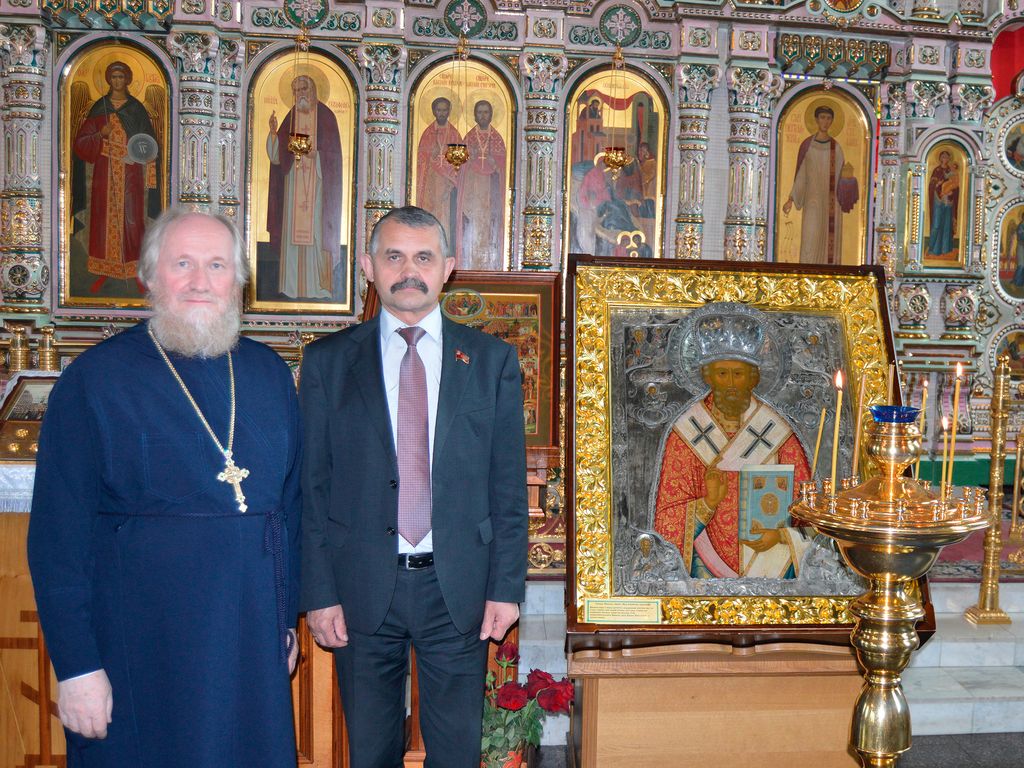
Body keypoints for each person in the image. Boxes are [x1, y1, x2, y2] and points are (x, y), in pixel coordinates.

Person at [28, 209, 301, 767]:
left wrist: (285, 619)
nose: (201, 281)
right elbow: (58, 540)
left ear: (238, 282)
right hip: (139, 649)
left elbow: (291, 511)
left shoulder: (270, 374)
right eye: (182, 264)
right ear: (149, 277)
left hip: (250, 644)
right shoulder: (94, 380)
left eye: (217, 266)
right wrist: (77, 666)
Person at [300, 206, 528, 768]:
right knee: (370, 752)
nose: (409, 271)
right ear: (369, 267)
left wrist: (505, 589)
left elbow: (507, 487)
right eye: (394, 256)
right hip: (359, 587)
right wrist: (319, 593)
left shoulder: (490, 361)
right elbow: (311, 487)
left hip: (458, 588)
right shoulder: (328, 362)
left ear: (447, 268)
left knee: (455, 753)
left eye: (423, 257)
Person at [652, 308, 812, 579]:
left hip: (774, 565)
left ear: (753, 378)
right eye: (721, 373)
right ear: (707, 376)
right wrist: (707, 503)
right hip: (704, 564)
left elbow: (808, 509)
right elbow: (667, 518)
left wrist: (782, 535)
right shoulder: (686, 432)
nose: (730, 384)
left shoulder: (779, 433)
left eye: (738, 374)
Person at [72, 61, 160, 293]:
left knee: (132, 219)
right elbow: (80, 144)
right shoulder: (99, 108)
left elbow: (149, 144)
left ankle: (135, 270)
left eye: (121, 77)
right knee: (103, 219)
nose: (117, 81)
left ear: (128, 79)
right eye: (114, 77)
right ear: (108, 80)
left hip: (131, 174)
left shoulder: (136, 109)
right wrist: (100, 134)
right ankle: (104, 270)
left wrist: (143, 160)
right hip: (104, 174)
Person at [267, 74, 343, 300]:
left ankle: (319, 287)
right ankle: (291, 287)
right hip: (293, 187)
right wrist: (273, 133)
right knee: (292, 236)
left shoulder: (326, 117)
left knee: (317, 234)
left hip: (318, 187)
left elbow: (334, 158)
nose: (300, 94)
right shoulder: (291, 117)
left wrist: (314, 155)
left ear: (313, 90)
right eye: (296, 90)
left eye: (303, 89)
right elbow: (277, 158)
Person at [782, 105, 859, 265]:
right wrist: (791, 199)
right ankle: (807, 272)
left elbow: (843, 179)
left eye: (829, 118)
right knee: (810, 237)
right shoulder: (807, 145)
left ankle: (829, 273)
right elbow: (801, 175)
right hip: (811, 200)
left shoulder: (836, 148)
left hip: (831, 204)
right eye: (822, 117)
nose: (825, 121)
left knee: (829, 241)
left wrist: (849, 181)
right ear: (816, 120)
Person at [456, 100, 507, 269]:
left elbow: (504, 168)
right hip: (473, 190)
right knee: (472, 225)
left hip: (490, 191)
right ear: (474, 115)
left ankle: (487, 265)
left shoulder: (497, 138)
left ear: (491, 115)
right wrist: (470, 161)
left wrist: (495, 164)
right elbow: (459, 166)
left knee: (489, 225)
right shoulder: (469, 138)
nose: (483, 115)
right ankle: (469, 264)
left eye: (486, 112)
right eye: (480, 112)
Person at [416, 96, 463, 240]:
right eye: (439, 110)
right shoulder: (427, 133)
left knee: (446, 218)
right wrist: (431, 154)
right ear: (433, 111)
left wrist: (449, 178)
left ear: (449, 112)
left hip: (448, 186)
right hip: (430, 185)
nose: (442, 113)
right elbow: (419, 160)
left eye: (444, 110)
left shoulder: (455, 134)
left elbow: (461, 164)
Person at [926, 150, 959, 260]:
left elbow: (956, 185)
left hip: (948, 201)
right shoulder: (937, 170)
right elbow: (932, 185)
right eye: (943, 156)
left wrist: (951, 192)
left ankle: (946, 250)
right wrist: (938, 185)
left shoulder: (951, 170)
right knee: (936, 224)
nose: (945, 159)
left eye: (947, 157)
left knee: (947, 225)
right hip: (938, 200)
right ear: (940, 158)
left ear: (949, 159)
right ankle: (932, 249)